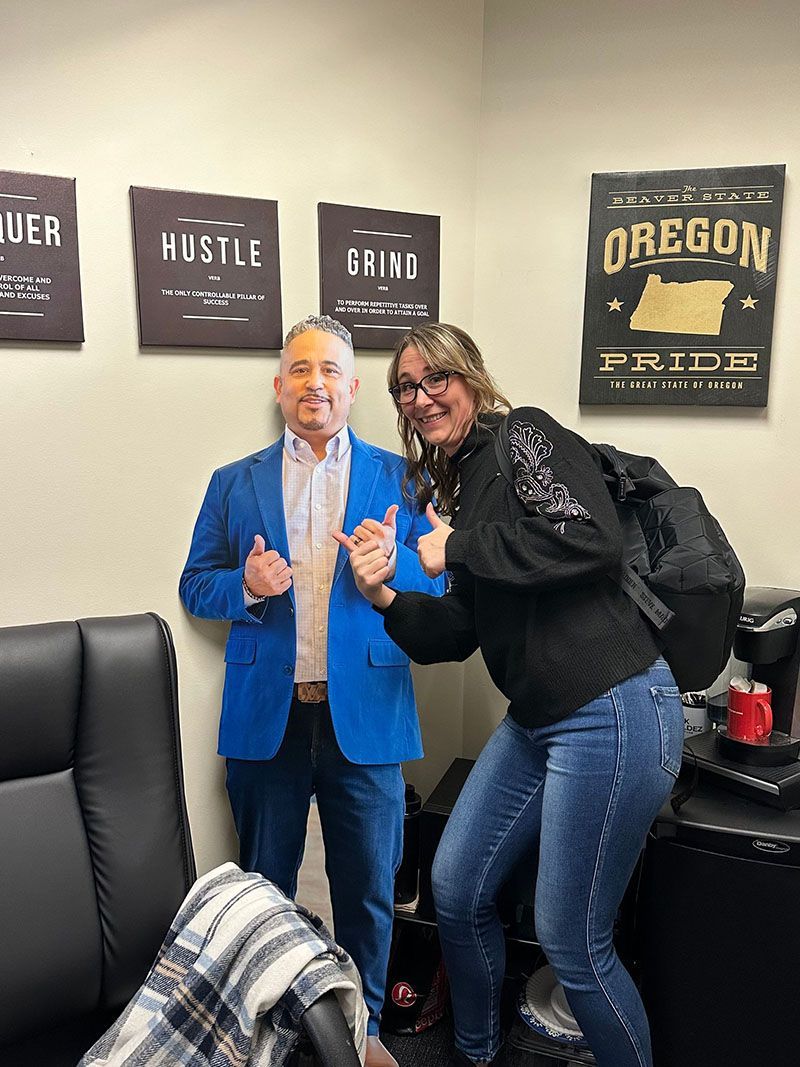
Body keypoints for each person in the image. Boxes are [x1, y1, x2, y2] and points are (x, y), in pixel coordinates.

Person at [335, 322, 684, 1067]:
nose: (421, 398)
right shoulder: (462, 489)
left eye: (436, 378)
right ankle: (477, 1054)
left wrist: (456, 546)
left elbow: (589, 537)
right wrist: (384, 595)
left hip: (613, 707)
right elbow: (459, 630)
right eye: (406, 387)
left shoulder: (523, 433)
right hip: (537, 720)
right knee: (456, 887)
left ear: (470, 376)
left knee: (574, 942)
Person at [179, 315, 443, 1067]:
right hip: (269, 719)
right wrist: (246, 586)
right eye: (299, 369)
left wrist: (393, 568)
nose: (314, 383)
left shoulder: (404, 478)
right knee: (262, 890)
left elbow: (440, 584)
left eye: (329, 370)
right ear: (279, 386)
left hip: (369, 713)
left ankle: (363, 1030)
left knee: (369, 888)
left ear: (353, 388)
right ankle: (267, 1029)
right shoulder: (234, 482)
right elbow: (195, 584)